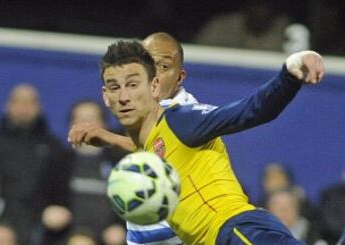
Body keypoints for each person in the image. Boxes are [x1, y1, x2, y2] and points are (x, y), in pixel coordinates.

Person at [68, 40, 324, 244]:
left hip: (236, 231)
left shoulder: (182, 119)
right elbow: (159, 149)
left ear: (154, 86)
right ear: (105, 96)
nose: (124, 97)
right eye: (114, 87)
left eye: (133, 84)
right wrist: (107, 138)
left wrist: (289, 73)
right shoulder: (151, 141)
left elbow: (251, 110)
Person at [69, 32, 196, 245]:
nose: (153, 72)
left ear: (179, 77)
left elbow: (161, 147)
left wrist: (108, 137)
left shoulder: (187, 113)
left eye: (163, 66)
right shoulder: (139, 113)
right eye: (146, 63)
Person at [0, 84, 71, 245]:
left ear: (39, 107)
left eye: (29, 102)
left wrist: (57, 208)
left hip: (40, 221)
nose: (23, 107)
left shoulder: (54, 147)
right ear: (7, 105)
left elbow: (62, 189)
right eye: (18, 101)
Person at [67, 100, 126, 245]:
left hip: (111, 235)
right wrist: (50, 210)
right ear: (70, 125)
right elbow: (42, 199)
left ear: (104, 125)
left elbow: (134, 201)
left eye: (91, 119)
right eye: (80, 119)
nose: (85, 125)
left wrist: (122, 226)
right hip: (68, 233)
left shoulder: (121, 162)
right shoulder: (58, 161)